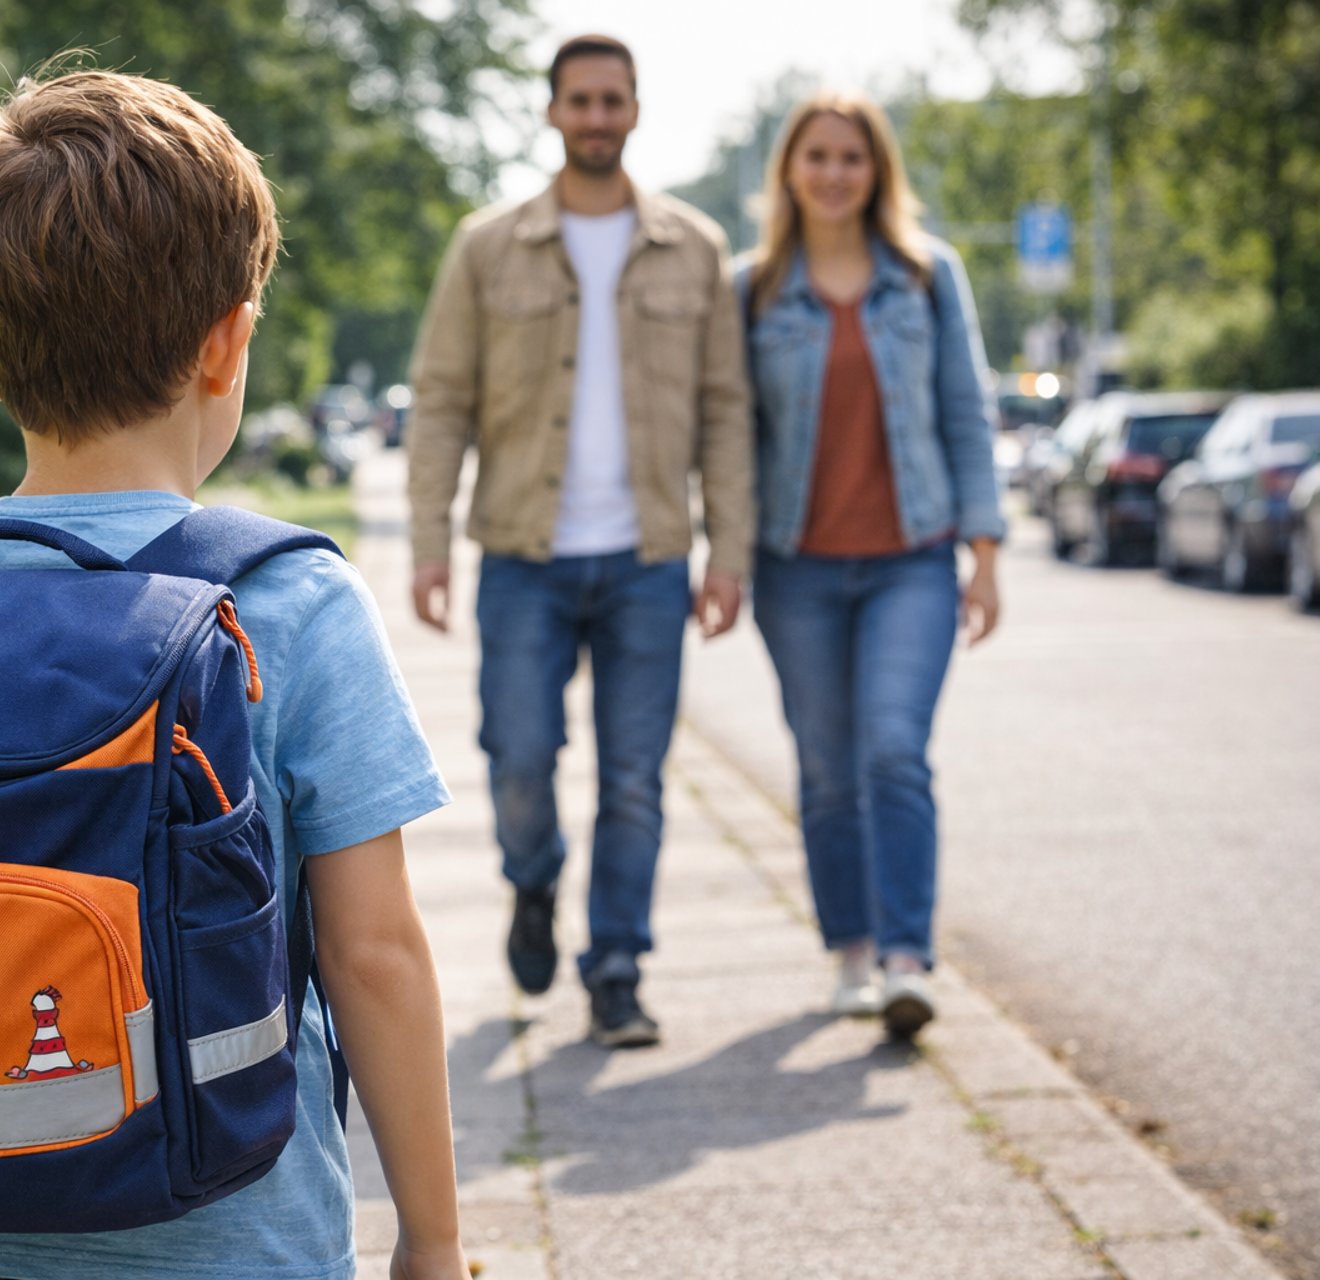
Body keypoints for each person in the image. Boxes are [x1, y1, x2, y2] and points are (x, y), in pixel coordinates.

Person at [0, 67, 468, 1280]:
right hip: (232, 1242)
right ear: (229, 342)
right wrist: (431, 1240)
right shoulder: (285, 604)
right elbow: (375, 954)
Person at [408, 35, 753, 1049]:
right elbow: (441, 397)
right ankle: (532, 881)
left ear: (635, 111)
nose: (598, 117)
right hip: (523, 555)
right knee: (519, 756)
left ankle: (617, 970)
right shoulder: (488, 245)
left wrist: (728, 550)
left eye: (614, 101)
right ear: (553, 111)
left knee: (635, 777)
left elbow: (726, 408)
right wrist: (429, 541)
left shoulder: (694, 248)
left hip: (649, 558)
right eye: (581, 101)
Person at [737, 89, 1005, 1038]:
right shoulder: (752, 289)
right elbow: (729, 435)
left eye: (852, 157)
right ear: (789, 172)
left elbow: (966, 412)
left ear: (877, 172)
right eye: (817, 156)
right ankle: (851, 952)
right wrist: (721, 554)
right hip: (796, 567)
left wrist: (984, 553)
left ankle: (905, 958)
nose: (834, 173)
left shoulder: (929, 276)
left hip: (912, 562)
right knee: (826, 767)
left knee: (893, 750)